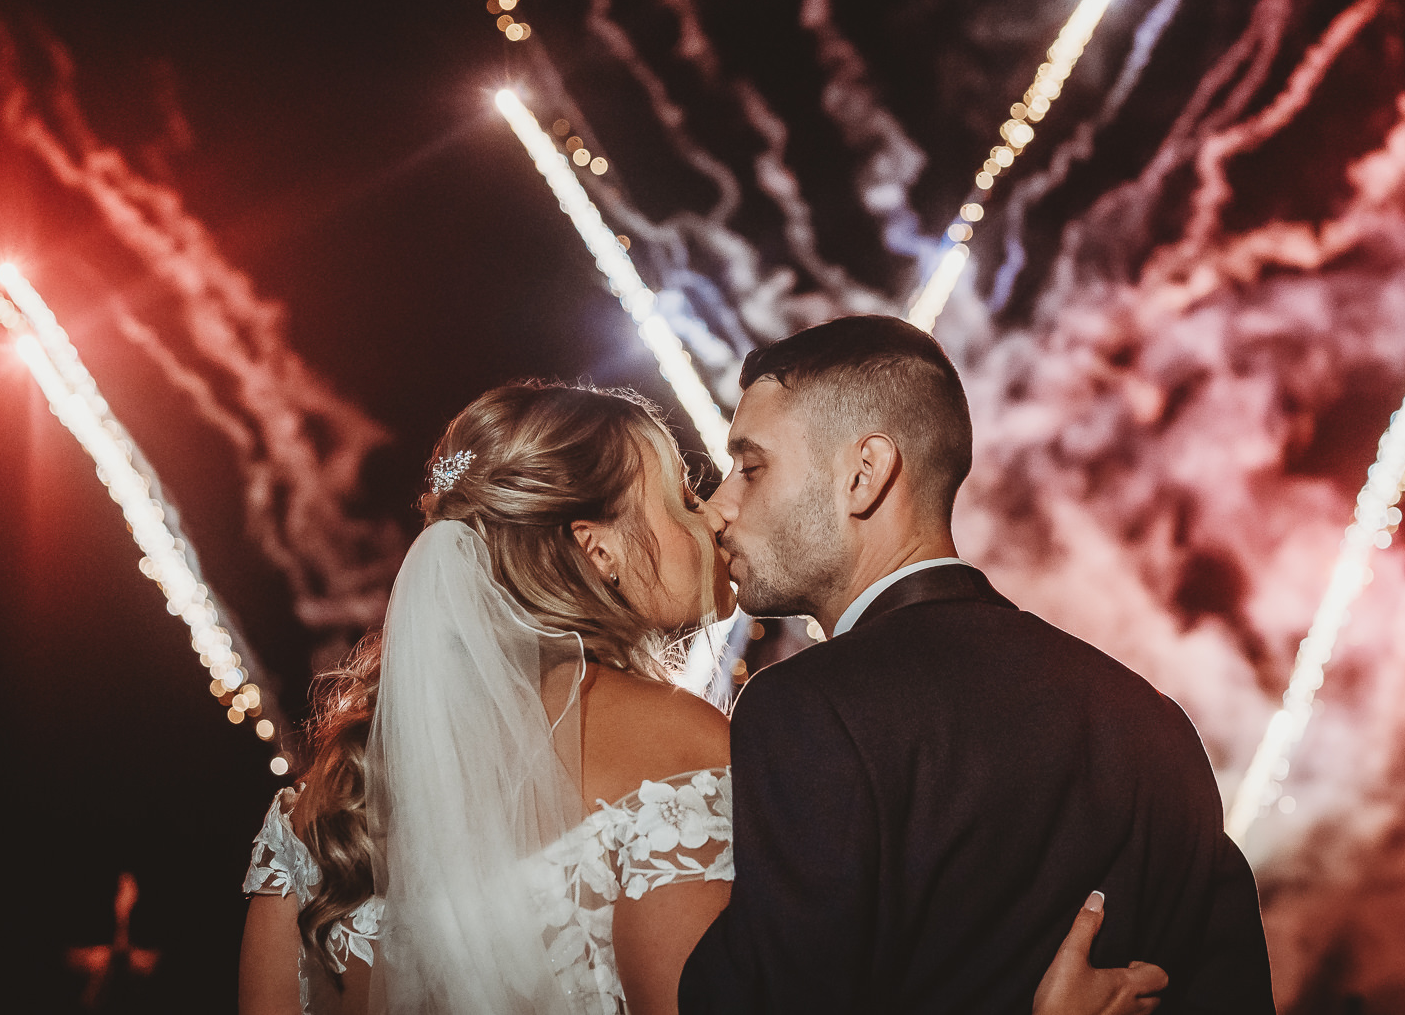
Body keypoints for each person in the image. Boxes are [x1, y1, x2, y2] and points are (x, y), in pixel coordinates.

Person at [238, 380, 1169, 1015]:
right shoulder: (674, 744)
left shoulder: (320, 808)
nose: (716, 512)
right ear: (599, 550)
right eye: (684, 493)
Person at [676, 316, 1275, 1013]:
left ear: (864, 475)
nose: (719, 508)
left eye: (751, 468)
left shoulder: (806, 711)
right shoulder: (1156, 724)